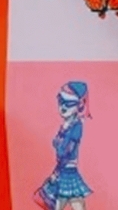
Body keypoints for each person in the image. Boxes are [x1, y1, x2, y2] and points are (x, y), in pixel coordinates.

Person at [35, 82, 92, 210]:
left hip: (67, 170)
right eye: (61, 101)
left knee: (70, 203)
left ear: (79, 105)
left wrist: (56, 172)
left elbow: (67, 153)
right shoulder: (67, 126)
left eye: (69, 103)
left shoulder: (76, 126)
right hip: (64, 170)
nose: (63, 107)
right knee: (71, 202)